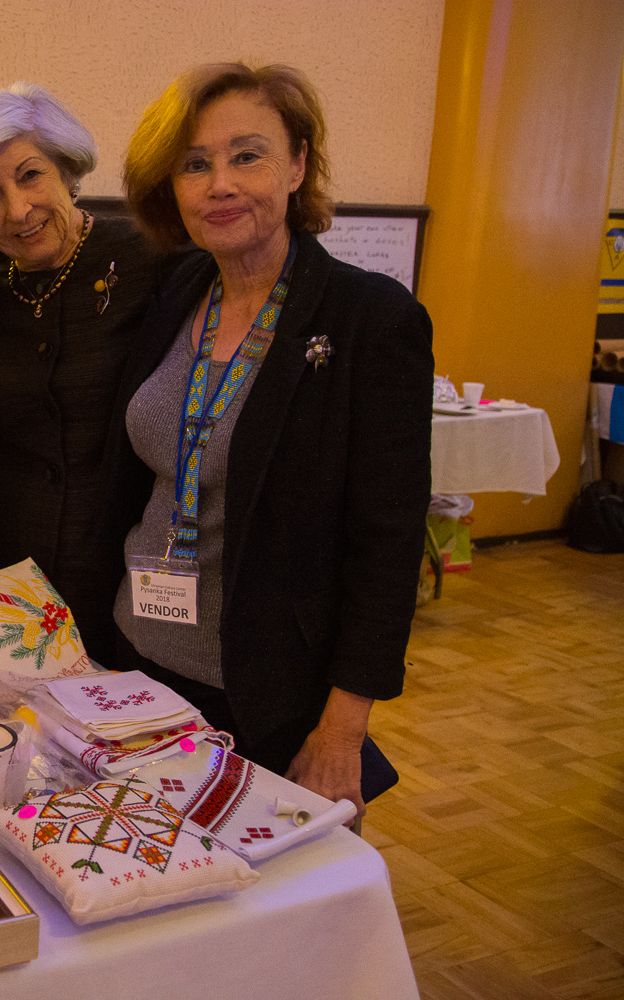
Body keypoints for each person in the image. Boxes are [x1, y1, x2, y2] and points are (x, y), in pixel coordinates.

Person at [113, 63, 433, 814]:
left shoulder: (370, 318)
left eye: (247, 156)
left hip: (268, 692)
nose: (220, 184)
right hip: (138, 664)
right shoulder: (176, 291)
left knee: (269, 887)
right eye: (195, 164)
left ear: (297, 165)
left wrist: (343, 730)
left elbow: (387, 545)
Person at [0, 83, 168, 663]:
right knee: (17, 714)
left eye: (31, 175)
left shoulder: (151, 259)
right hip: (10, 578)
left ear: (68, 170)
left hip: (129, 573)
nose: (17, 210)